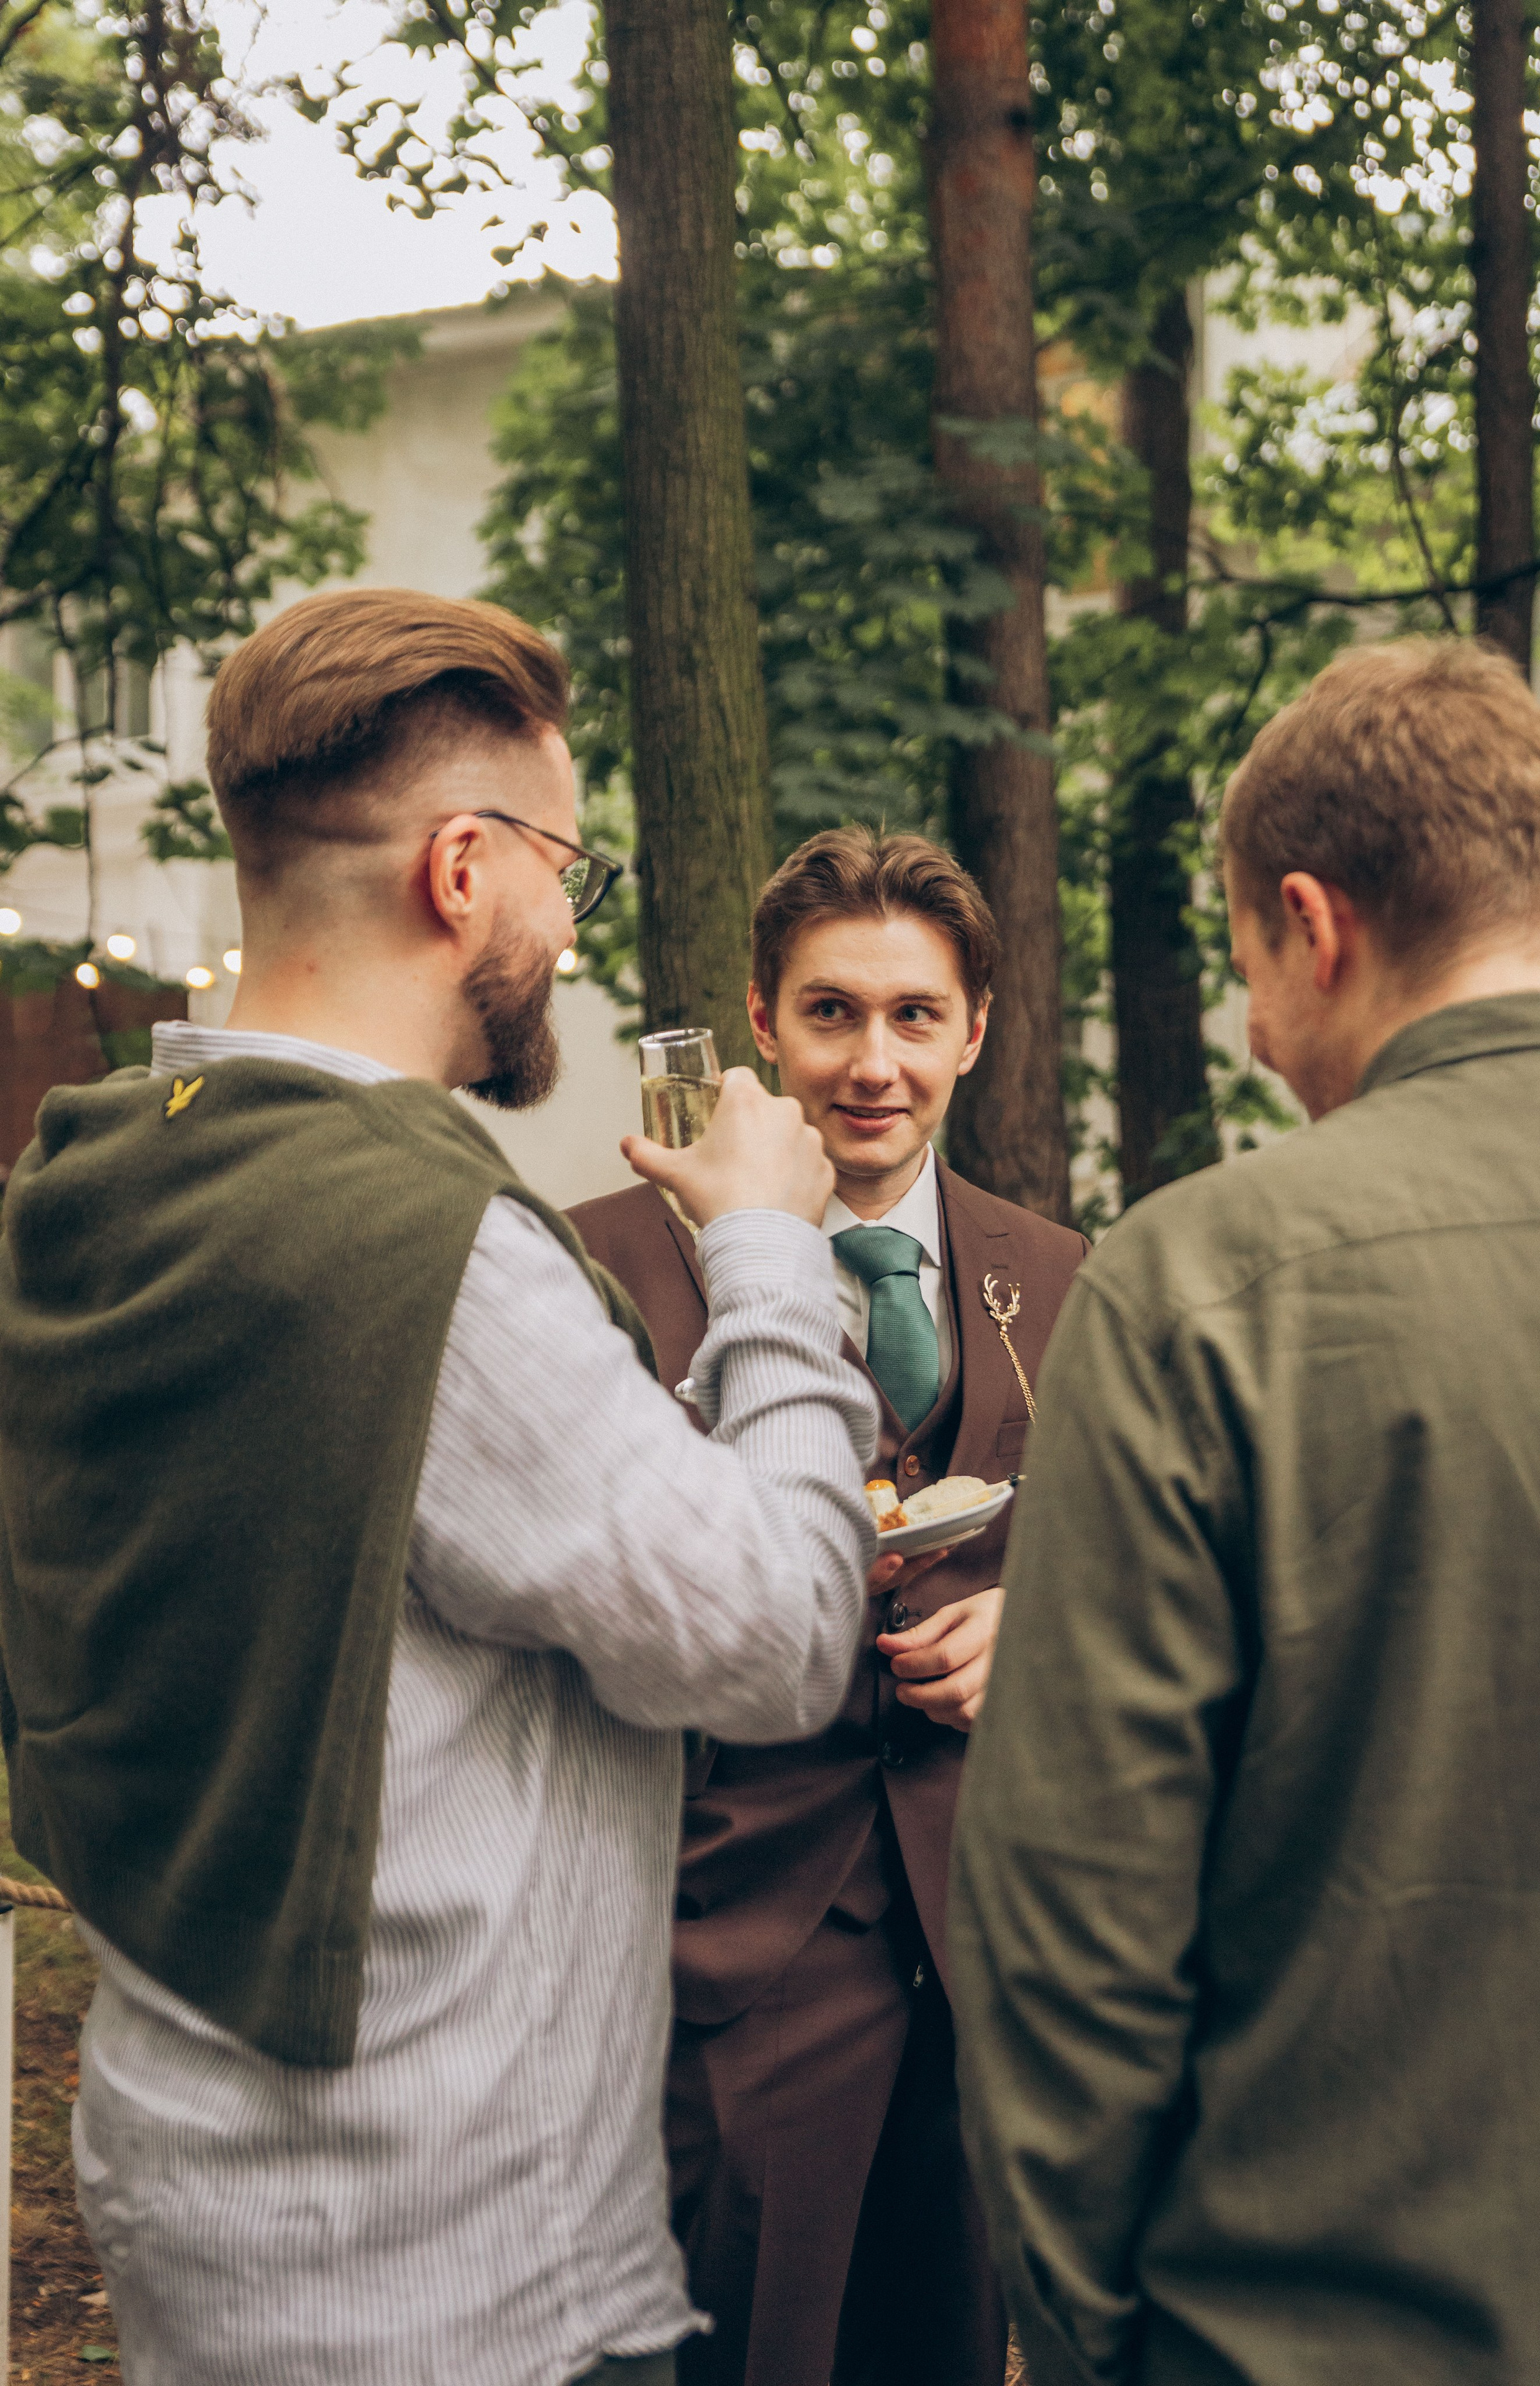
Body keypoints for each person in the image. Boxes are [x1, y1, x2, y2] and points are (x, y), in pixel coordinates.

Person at [0, 588, 881, 2386]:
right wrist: (775, 1256)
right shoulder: (428, 1254)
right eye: (567, 869)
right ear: (463, 871)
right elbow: (782, 1638)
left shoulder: (96, 1180)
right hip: (445, 2268)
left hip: (196, 2187)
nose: (567, 925)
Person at [951, 636, 1540, 2386]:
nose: (1251, 1033)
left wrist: (1099, 2343)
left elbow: (1070, 1921)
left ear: (1314, 926)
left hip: (1302, 2329)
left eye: (1245, 971)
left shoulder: (1202, 1285)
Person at [570, 828, 1088, 2386]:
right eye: (830, 1013)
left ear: (974, 1031)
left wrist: (1039, 1631)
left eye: (913, 1016)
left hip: (979, 1955)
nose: (873, 1063)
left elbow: (1122, 1571)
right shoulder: (599, 1268)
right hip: (725, 1946)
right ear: (761, 1021)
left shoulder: (1057, 1271)